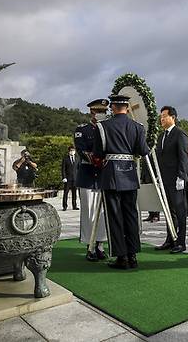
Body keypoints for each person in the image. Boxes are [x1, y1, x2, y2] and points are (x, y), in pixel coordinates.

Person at [96, 94, 150, 270]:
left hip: (111, 174)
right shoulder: (137, 127)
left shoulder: (102, 127)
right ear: (127, 107)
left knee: (115, 216)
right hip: (129, 174)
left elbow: (98, 152)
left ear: (112, 107)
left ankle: (122, 257)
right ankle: (133, 255)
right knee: (131, 215)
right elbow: (143, 151)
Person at [74, 98, 109, 261]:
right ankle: (90, 245)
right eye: (99, 111)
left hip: (104, 176)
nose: (101, 114)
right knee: (89, 213)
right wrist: (99, 160)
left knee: (102, 213)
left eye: (104, 111)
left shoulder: (108, 129)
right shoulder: (83, 130)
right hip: (88, 176)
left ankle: (100, 245)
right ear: (92, 112)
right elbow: (82, 150)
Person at [154, 106, 188, 254]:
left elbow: (183, 157)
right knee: (168, 211)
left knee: (180, 211)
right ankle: (170, 239)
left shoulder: (179, 134)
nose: (161, 119)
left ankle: (181, 242)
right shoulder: (162, 136)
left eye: (164, 116)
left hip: (176, 180)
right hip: (164, 180)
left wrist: (181, 176)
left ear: (172, 117)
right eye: (161, 116)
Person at [61, 146, 79, 210]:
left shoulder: (77, 158)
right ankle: (65, 206)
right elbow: (63, 169)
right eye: (71, 150)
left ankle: (74, 205)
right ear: (68, 151)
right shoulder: (65, 159)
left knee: (74, 193)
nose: (72, 152)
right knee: (66, 193)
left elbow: (78, 169)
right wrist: (64, 177)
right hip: (68, 179)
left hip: (75, 178)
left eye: (73, 150)